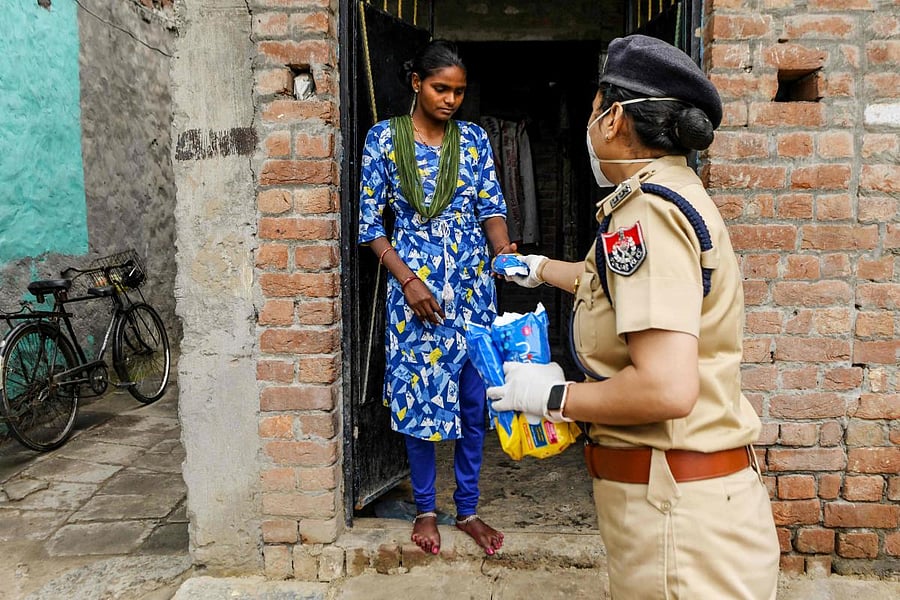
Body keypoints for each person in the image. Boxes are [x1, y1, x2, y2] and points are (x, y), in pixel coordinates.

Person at [488, 35, 780, 598]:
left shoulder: (644, 214)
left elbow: (667, 388)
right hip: (681, 514)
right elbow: (619, 289)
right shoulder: (671, 192)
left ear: (614, 117)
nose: (590, 123)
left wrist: (554, 398)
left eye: (594, 110)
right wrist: (542, 267)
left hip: (680, 529)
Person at [358, 40, 514, 557]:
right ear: (416, 84)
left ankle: (467, 508)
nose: (450, 99)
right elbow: (370, 229)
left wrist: (503, 250)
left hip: (472, 289)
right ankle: (426, 507)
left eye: (459, 91)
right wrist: (408, 280)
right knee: (422, 401)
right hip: (416, 292)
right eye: (440, 88)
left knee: (474, 401)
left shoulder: (473, 140)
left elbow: (491, 206)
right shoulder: (384, 140)